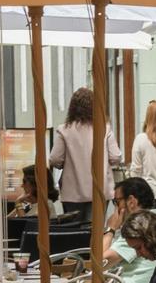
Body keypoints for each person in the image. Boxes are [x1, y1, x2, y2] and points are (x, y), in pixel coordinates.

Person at [48, 87, 122, 223]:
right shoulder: (104, 128)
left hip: (72, 192)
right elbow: (115, 157)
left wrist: (65, 163)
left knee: (74, 231)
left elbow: (55, 159)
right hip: (100, 189)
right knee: (95, 231)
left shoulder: (64, 130)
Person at [102, 177, 156, 283]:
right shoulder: (152, 219)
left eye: (117, 202)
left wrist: (110, 229)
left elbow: (99, 263)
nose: (115, 208)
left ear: (131, 202)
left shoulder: (139, 226)